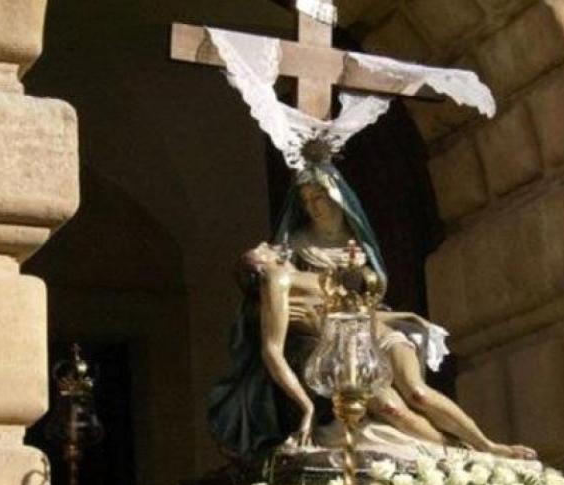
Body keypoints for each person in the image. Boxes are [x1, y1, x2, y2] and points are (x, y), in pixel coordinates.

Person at [208, 163, 536, 461]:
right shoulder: (285, 264)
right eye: (306, 200)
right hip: (342, 346)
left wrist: (405, 318)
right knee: (391, 406)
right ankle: (457, 453)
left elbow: (360, 306)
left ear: (337, 197)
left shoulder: (356, 244)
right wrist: (306, 408)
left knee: (418, 393)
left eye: (319, 197)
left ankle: (486, 446)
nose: (312, 206)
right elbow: (272, 340)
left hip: (376, 329)